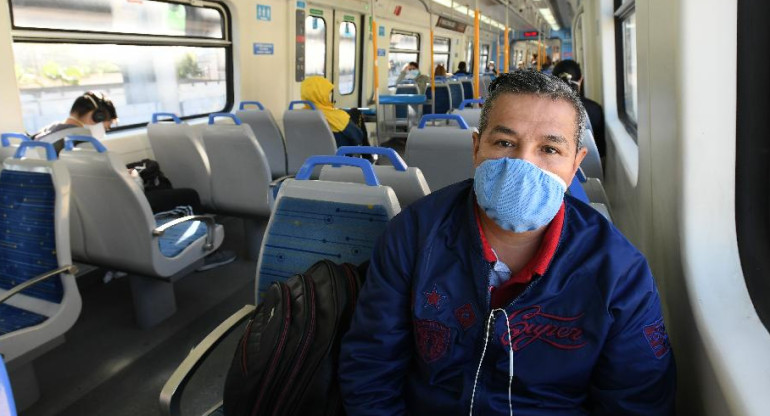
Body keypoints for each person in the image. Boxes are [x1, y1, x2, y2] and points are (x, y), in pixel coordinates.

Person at [339, 70, 675, 415]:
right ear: (475, 148)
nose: (523, 164)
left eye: (549, 148)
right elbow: (371, 368)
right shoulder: (413, 236)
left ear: (576, 164)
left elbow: (637, 401)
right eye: (504, 143)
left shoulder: (619, 272)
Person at [31, 91, 118, 153]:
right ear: (97, 116)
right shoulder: (81, 139)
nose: (103, 133)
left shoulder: (51, 129)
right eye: (105, 128)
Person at [553, 59, 606, 158]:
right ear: (581, 79)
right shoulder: (594, 109)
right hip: (590, 171)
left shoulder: (543, 109)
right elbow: (601, 151)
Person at [300, 76, 366, 148]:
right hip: (339, 156)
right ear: (321, 95)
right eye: (328, 93)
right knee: (355, 112)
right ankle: (369, 157)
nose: (330, 95)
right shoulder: (336, 117)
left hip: (306, 157)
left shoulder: (297, 115)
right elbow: (358, 136)